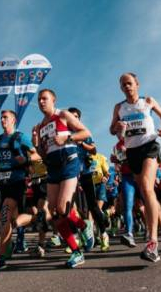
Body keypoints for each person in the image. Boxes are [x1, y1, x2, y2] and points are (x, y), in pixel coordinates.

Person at [109, 73, 161, 262]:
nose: (126, 87)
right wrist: (117, 127)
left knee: (146, 187)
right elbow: (111, 129)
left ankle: (153, 243)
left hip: (149, 146)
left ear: (137, 84)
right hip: (132, 152)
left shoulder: (148, 101)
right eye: (123, 85)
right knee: (145, 192)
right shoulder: (119, 107)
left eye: (129, 83)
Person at [36, 89, 93, 268]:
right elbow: (43, 154)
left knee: (63, 208)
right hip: (53, 168)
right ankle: (77, 249)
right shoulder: (40, 126)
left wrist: (68, 137)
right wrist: (37, 145)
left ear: (53, 100)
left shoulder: (63, 115)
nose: (41, 102)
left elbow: (85, 133)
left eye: (44, 98)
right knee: (54, 213)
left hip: (69, 163)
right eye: (39, 99)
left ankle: (83, 228)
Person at [0, 109, 39, 269]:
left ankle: (0, 258)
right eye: (1, 118)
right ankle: (36, 219)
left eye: (5, 117)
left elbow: (37, 155)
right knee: (7, 221)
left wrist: (24, 159)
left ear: (13, 120)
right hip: (3, 184)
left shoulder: (20, 137)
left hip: (17, 181)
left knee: (5, 215)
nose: (2, 120)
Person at [69, 106, 110, 251]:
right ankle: (79, 235)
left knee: (92, 206)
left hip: (85, 174)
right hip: (70, 174)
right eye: (70, 116)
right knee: (69, 208)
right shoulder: (65, 134)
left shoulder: (84, 132)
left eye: (75, 116)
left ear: (79, 119)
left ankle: (103, 234)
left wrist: (82, 143)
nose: (73, 119)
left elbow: (94, 150)